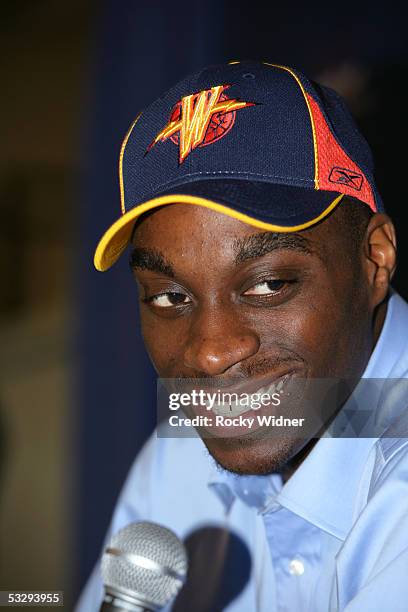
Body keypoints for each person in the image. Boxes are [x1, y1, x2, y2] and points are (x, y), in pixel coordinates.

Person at [76, 61, 408, 611]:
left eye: (269, 285)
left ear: (375, 260)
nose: (209, 353)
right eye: (169, 297)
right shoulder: (178, 453)